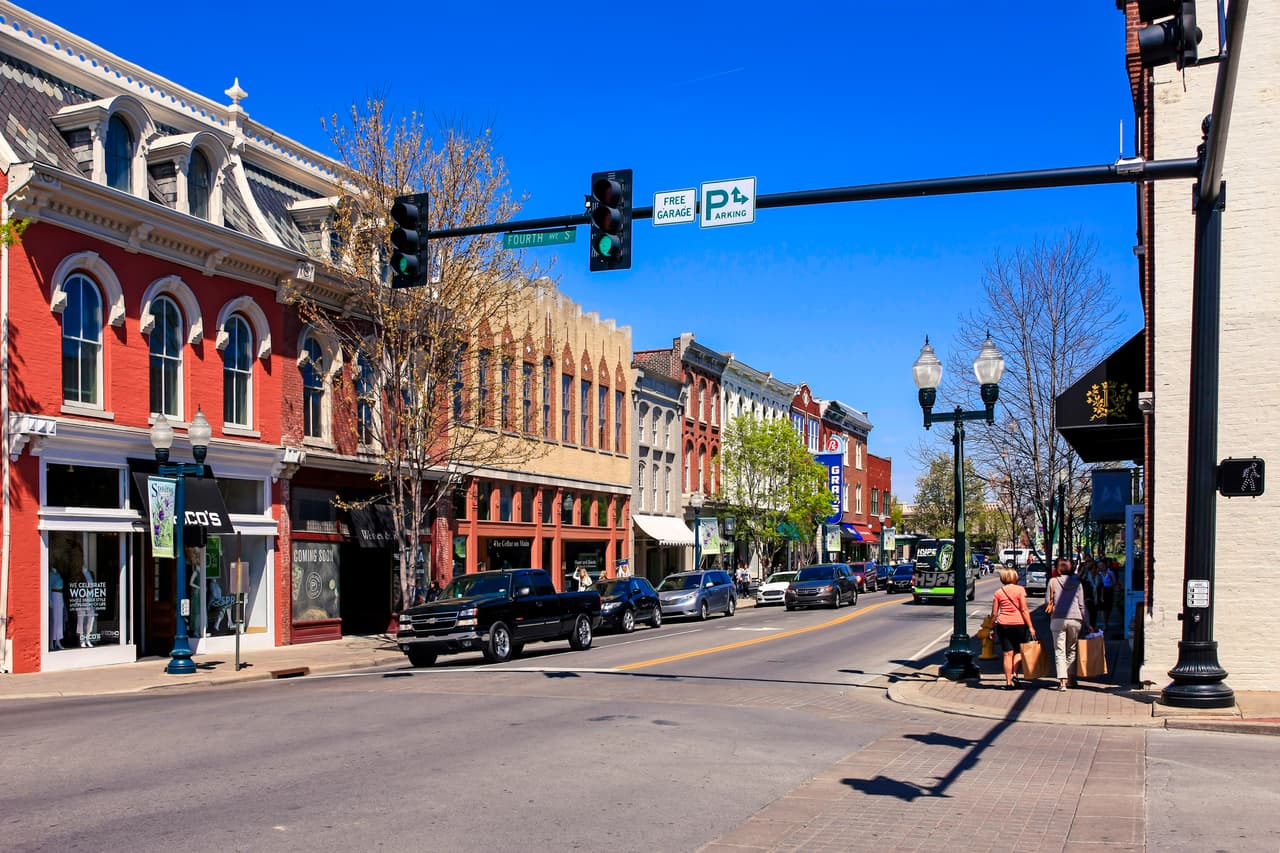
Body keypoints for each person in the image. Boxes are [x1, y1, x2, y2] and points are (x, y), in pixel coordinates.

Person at [1046, 557, 1095, 691]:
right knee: (1072, 649)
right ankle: (1072, 678)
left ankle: (1062, 682)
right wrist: (1088, 623)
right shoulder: (1077, 583)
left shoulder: (1053, 581)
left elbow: (1047, 602)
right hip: (1075, 619)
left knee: (1059, 651)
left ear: (1058, 569)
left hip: (1058, 619)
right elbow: (1081, 605)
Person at [991, 568, 1037, 688]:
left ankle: (1008, 681)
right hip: (1019, 624)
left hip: (1003, 624)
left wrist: (991, 627)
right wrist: (1031, 626)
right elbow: (1024, 609)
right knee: (1018, 651)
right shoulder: (1020, 590)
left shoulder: (998, 592)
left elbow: (994, 613)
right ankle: (1015, 675)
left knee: (1007, 653)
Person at [49, 566, 66, 650]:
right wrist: (50, 600)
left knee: (59, 621)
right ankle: (51, 642)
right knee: (54, 620)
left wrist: (62, 601)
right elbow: (49, 587)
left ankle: (58, 641)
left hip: (60, 595)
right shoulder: (51, 575)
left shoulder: (59, 574)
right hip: (54, 595)